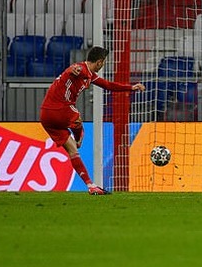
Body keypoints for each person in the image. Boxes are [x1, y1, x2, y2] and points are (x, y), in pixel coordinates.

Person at [40, 46, 146, 195]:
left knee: (73, 152)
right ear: (99, 62)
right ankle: (79, 136)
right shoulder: (81, 69)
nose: (103, 65)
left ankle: (91, 186)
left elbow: (109, 85)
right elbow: (73, 68)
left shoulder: (90, 75)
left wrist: (131, 87)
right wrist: (73, 69)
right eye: (104, 62)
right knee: (77, 119)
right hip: (58, 109)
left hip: (46, 116)